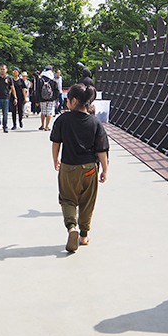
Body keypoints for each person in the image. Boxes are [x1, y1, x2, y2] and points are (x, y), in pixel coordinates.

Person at [50, 84, 109, 253]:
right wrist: (104, 169)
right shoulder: (95, 122)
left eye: (67, 100)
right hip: (90, 168)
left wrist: (55, 159)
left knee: (67, 199)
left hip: (68, 166)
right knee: (87, 202)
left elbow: (56, 142)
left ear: (74, 101)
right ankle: (84, 235)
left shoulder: (63, 119)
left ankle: (71, 228)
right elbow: (101, 149)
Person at [0, 64, 16, 133]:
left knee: (5, 113)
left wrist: (15, 98)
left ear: (6, 70)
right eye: (1, 69)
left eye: (3, 69)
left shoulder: (9, 78)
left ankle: (5, 127)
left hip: (6, 97)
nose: (2, 70)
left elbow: (13, 89)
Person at [38, 66, 59, 131]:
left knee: (43, 112)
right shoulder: (53, 79)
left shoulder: (41, 79)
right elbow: (56, 90)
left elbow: (38, 90)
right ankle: (47, 126)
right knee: (49, 112)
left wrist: (37, 100)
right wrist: (56, 98)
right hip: (51, 99)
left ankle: (42, 125)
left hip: (42, 98)